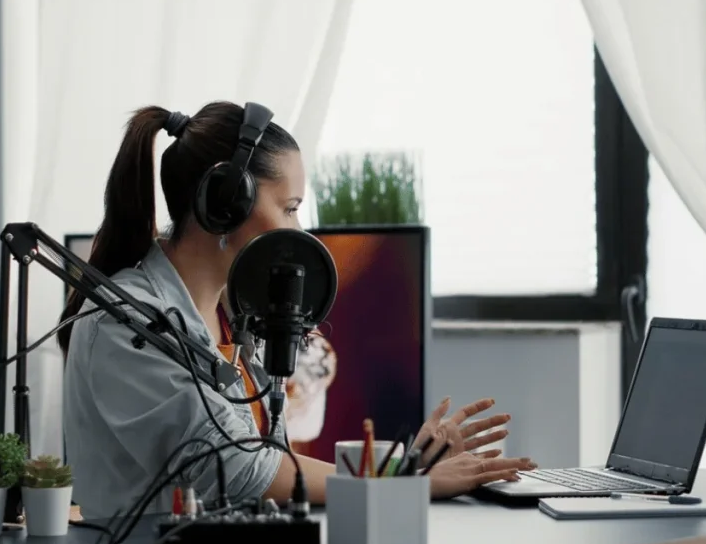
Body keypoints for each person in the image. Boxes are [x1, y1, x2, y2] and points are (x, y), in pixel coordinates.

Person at [58, 101, 536, 519]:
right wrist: (411, 484)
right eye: (289, 208)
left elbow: (276, 466)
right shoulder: (127, 323)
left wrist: (407, 467)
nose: (299, 228)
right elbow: (240, 471)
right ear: (225, 203)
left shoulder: (236, 318)